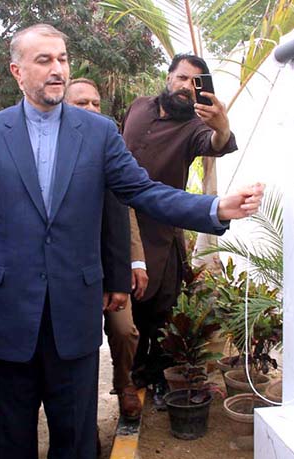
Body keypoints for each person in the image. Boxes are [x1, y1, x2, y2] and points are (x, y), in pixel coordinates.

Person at [0, 23, 263, 459]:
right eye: (44, 60)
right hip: (9, 319)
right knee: (12, 446)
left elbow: (141, 191)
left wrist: (213, 207)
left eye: (62, 58)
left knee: (76, 443)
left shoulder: (97, 133)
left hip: (74, 317)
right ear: (17, 71)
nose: (57, 69)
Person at [123, 54, 238, 408]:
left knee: (156, 308)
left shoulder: (195, 128)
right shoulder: (139, 106)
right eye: (183, 78)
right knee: (120, 308)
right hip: (117, 224)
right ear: (169, 77)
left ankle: (153, 377)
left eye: (195, 82)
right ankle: (127, 377)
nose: (187, 87)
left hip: (159, 229)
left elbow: (217, 144)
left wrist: (222, 125)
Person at [65, 77, 145, 419]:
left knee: (124, 330)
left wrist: (135, 260)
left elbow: (126, 207)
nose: (91, 109)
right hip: (70, 273)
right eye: (81, 103)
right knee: (79, 353)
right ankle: (84, 425)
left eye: (95, 103)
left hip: (109, 270)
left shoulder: (108, 145)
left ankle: (125, 383)